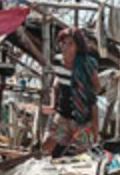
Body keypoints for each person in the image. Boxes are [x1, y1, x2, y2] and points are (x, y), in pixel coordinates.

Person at [43, 26, 100, 156]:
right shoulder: (57, 61)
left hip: (83, 117)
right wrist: (53, 104)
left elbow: (97, 87)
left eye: (70, 44)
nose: (65, 47)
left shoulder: (87, 63)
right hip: (63, 114)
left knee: (84, 155)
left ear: (78, 47)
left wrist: (81, 92)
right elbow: (57, 83)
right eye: (63, 43)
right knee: (46, 145)